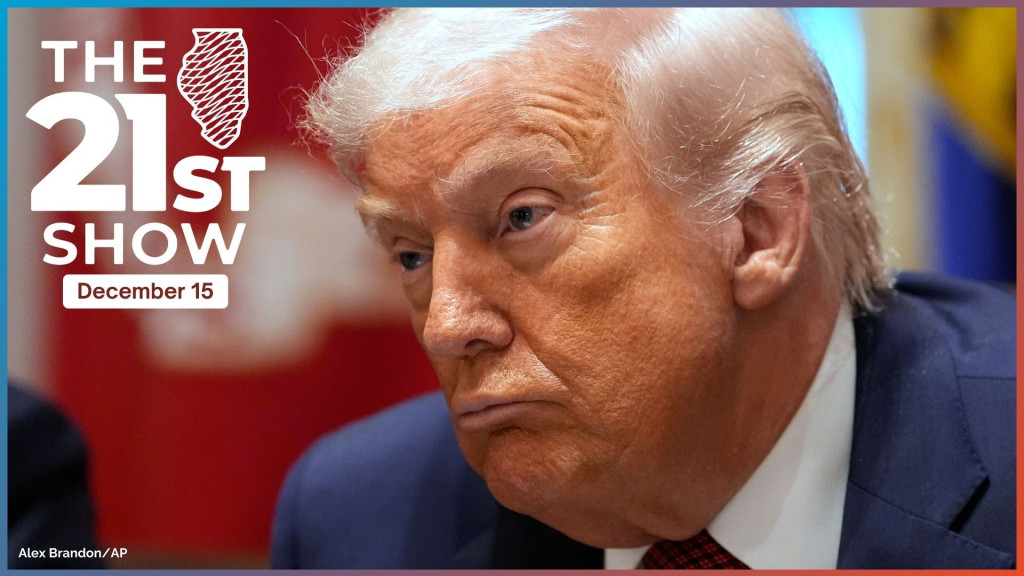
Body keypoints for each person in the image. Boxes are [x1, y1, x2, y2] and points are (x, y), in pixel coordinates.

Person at [272, 8, 1015, 569]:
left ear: (757, 230)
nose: (446, 324)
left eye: (521, 218)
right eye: (411, 255)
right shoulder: (358, 522)